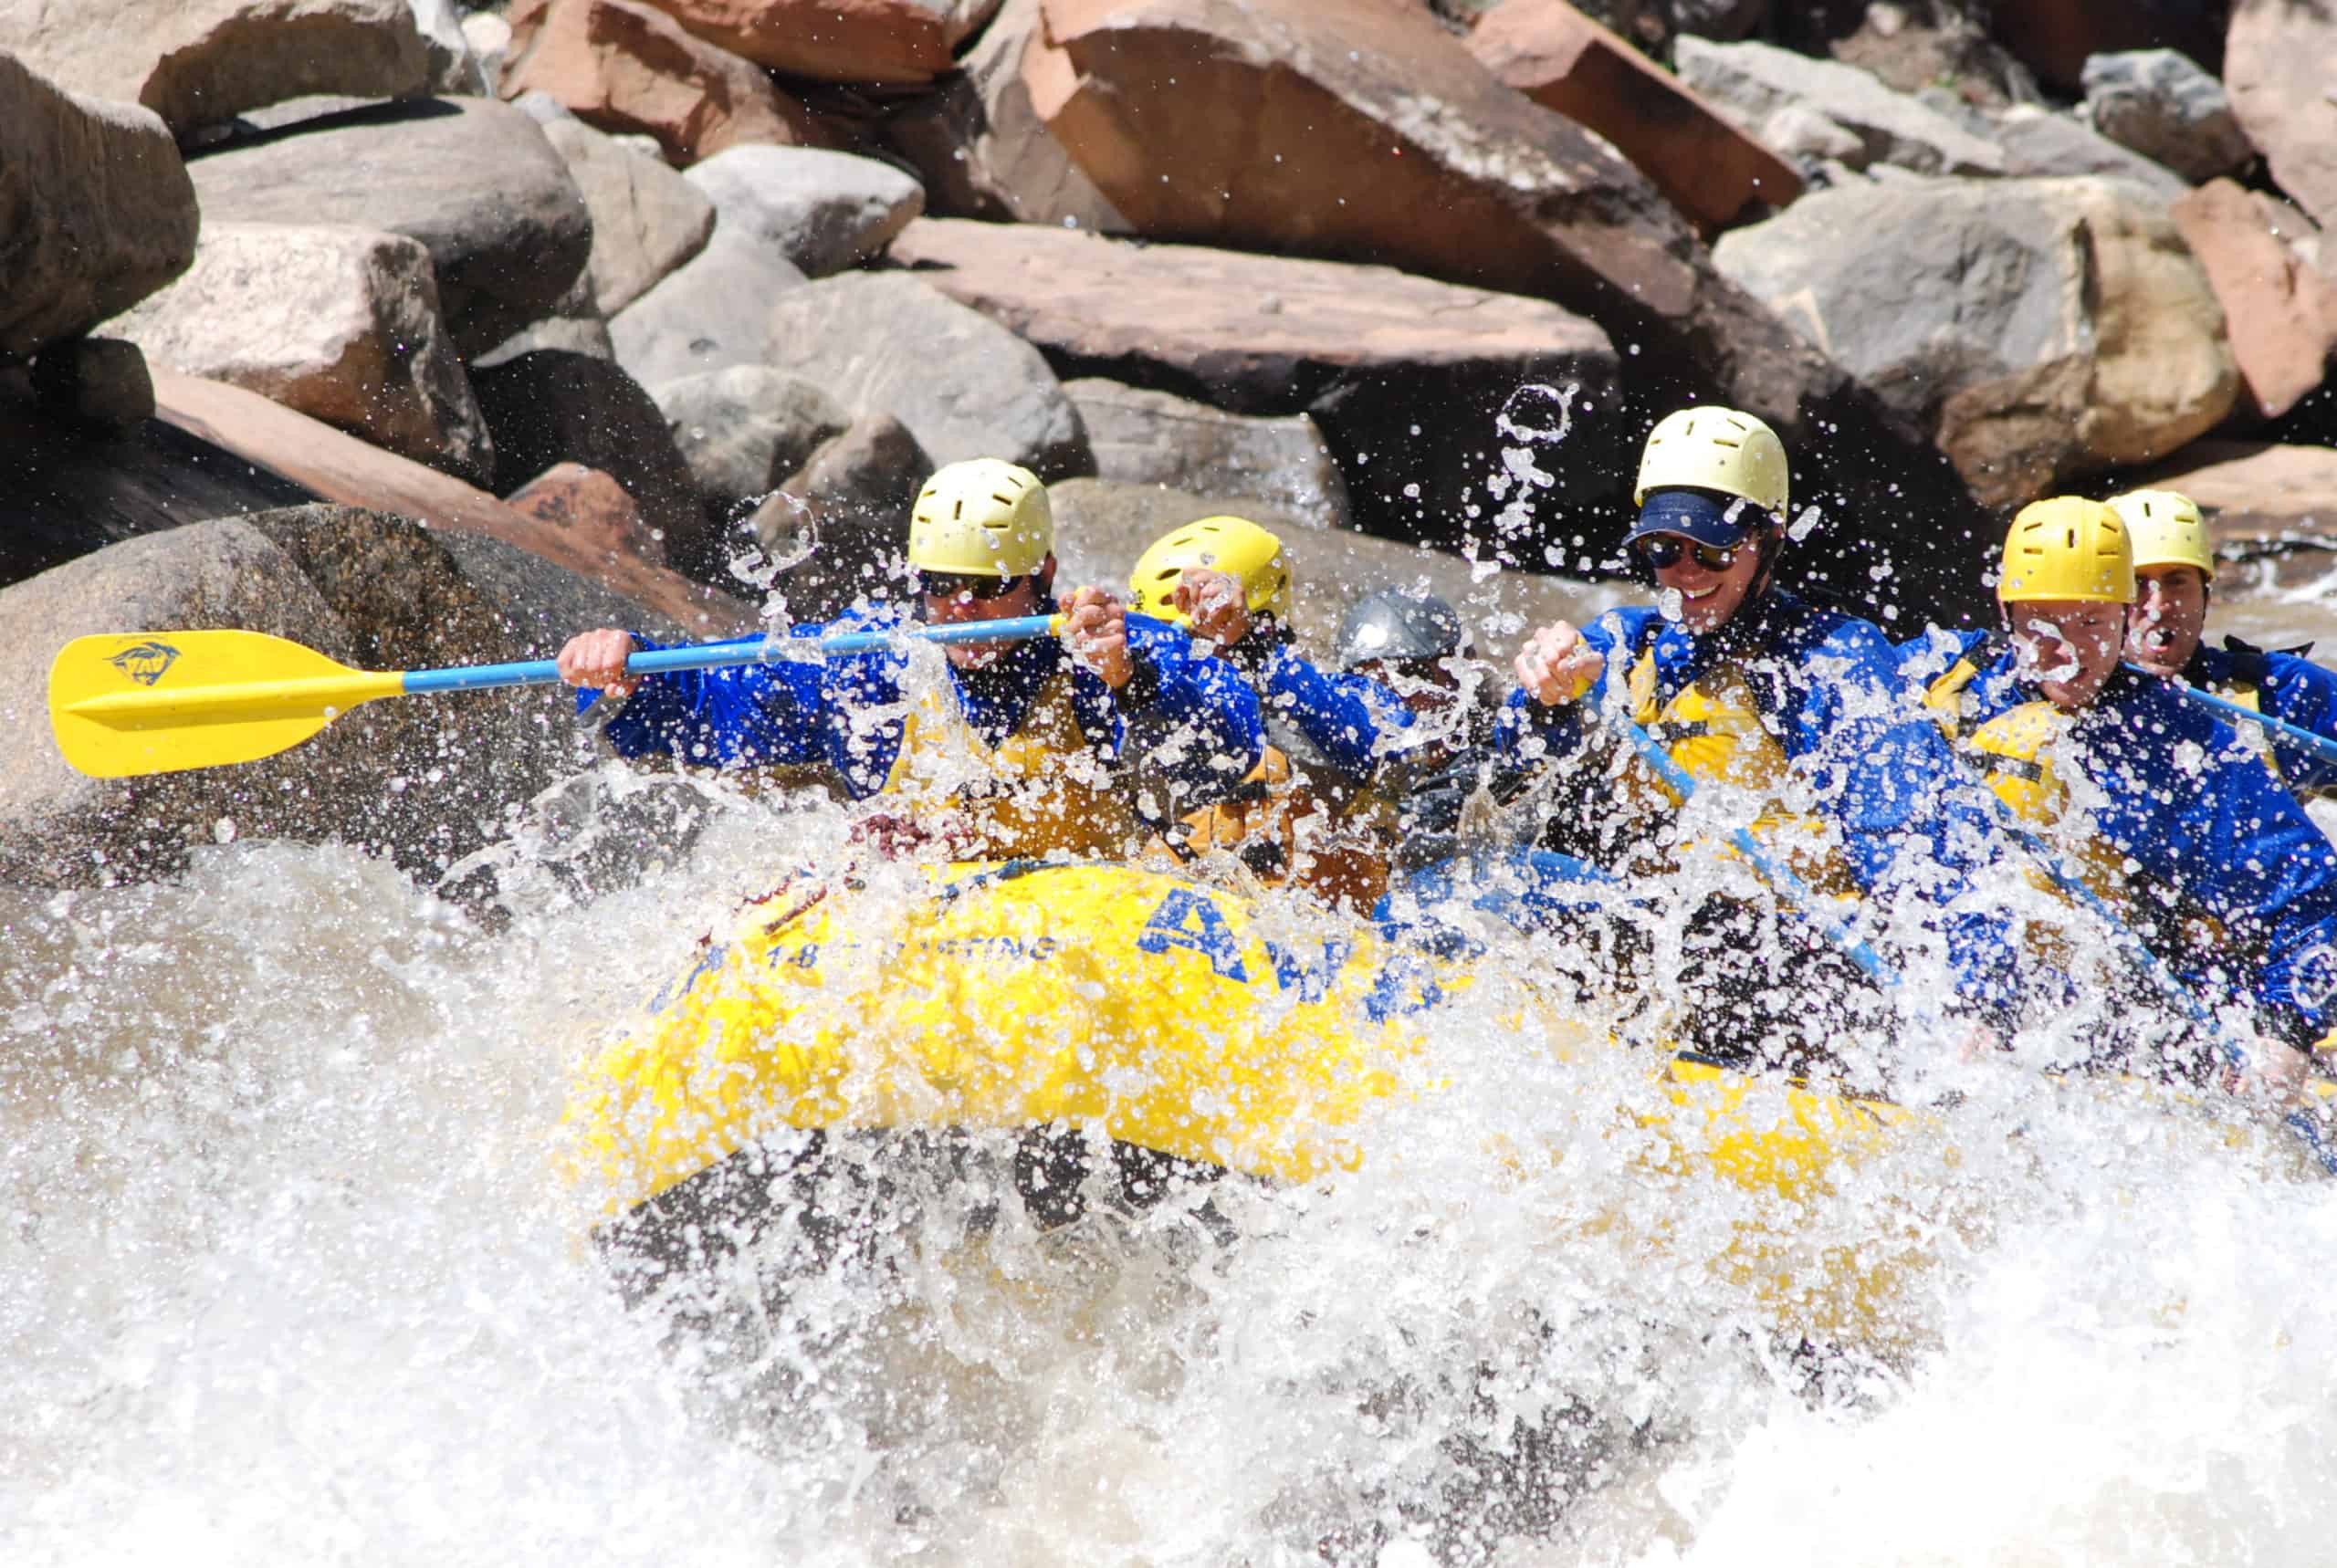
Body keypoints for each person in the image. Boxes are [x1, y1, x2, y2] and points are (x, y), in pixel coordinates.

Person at [1484, 405, 2021, 1071]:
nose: (1683, 572)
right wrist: (1547, 701)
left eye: (1709, 548)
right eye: (1661, 550)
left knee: (1660, 923)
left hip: (1795, 960)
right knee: (1503, 882)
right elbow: (1509, 776)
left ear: (1767, 540)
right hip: (1661, 931)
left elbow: (1914, 830)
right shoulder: (1625, 641)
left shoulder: (1828, 660)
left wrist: (1966, 997)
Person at [557, 458, 1264, 861]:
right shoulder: (875, 667)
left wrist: (1131, 680)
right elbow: (721, 703)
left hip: (1090, 917)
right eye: (941, 587)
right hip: (933, 932)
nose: (960, 611)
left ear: (1043, 575)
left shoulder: (1101, 646)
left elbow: (1232, 744)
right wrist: (630, 673)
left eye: (987, 588)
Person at [1902, 496, 2333, 1093]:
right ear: (2006, 609)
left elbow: (2311, 891)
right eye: (2045, 624)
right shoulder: (1947, 678)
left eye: (2093, 624)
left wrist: (2284, 1031)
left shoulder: (2188, 742)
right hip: (1992, 987)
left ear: (2122, 616)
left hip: (2165, 994)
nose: (2070, 652)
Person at [1127, 515, 1412, 901]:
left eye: (1206, 638)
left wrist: (1251, 651)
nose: (1185, 660)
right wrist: (1127, 677)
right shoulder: (1145, 701)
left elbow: (1385, 745)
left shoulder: (1351, 698)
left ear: (1261, 623)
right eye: (1170, 645)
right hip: (1172, 925)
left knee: (1275, 761)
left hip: (1321, 934)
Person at [2112, 487, 2337, 795]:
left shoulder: (2282, 694)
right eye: (2136, 583)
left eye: (2177, 582)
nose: (2156, 606)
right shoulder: (2050, 700)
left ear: (2206, 595)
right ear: (2101, 603)